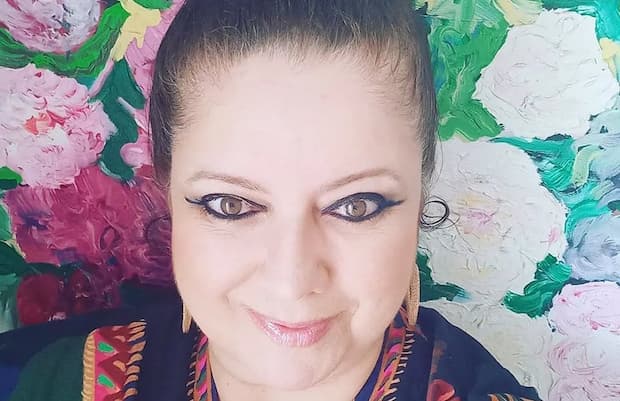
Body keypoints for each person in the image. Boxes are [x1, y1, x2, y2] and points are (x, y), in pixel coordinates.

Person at [0, 1, 542, 400]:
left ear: (420, 195)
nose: (292, 281)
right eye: (231, 205)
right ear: (167, 189)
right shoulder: (49, 379)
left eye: (356, 206)